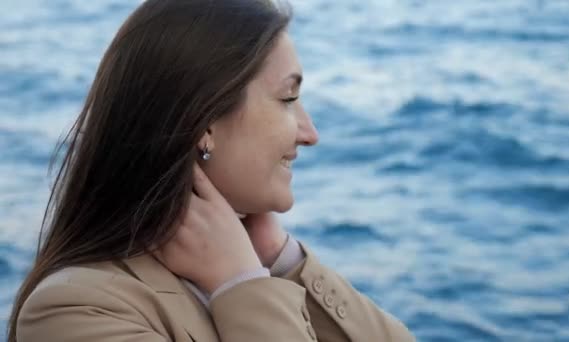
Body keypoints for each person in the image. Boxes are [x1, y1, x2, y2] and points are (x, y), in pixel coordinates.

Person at [7, 0, 416, 341]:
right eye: (288, 99)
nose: (310, 134)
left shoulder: (263, 264)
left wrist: (282, 263)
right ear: (204, 123)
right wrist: (241, 286)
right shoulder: (74, 310)